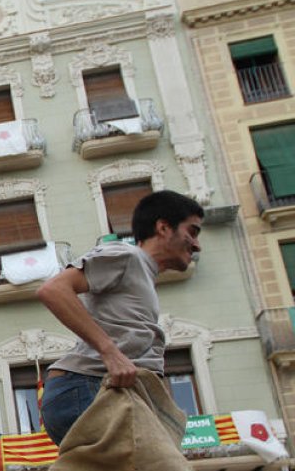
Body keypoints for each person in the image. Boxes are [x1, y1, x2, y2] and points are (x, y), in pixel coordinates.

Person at [37, 190, 203, 445]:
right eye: (192, 231)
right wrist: (110, 352)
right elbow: (53, 290)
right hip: (89, 388)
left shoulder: (142, 273)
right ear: (163, 227)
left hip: (93, 390)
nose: (196, 244)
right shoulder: (128, 256)